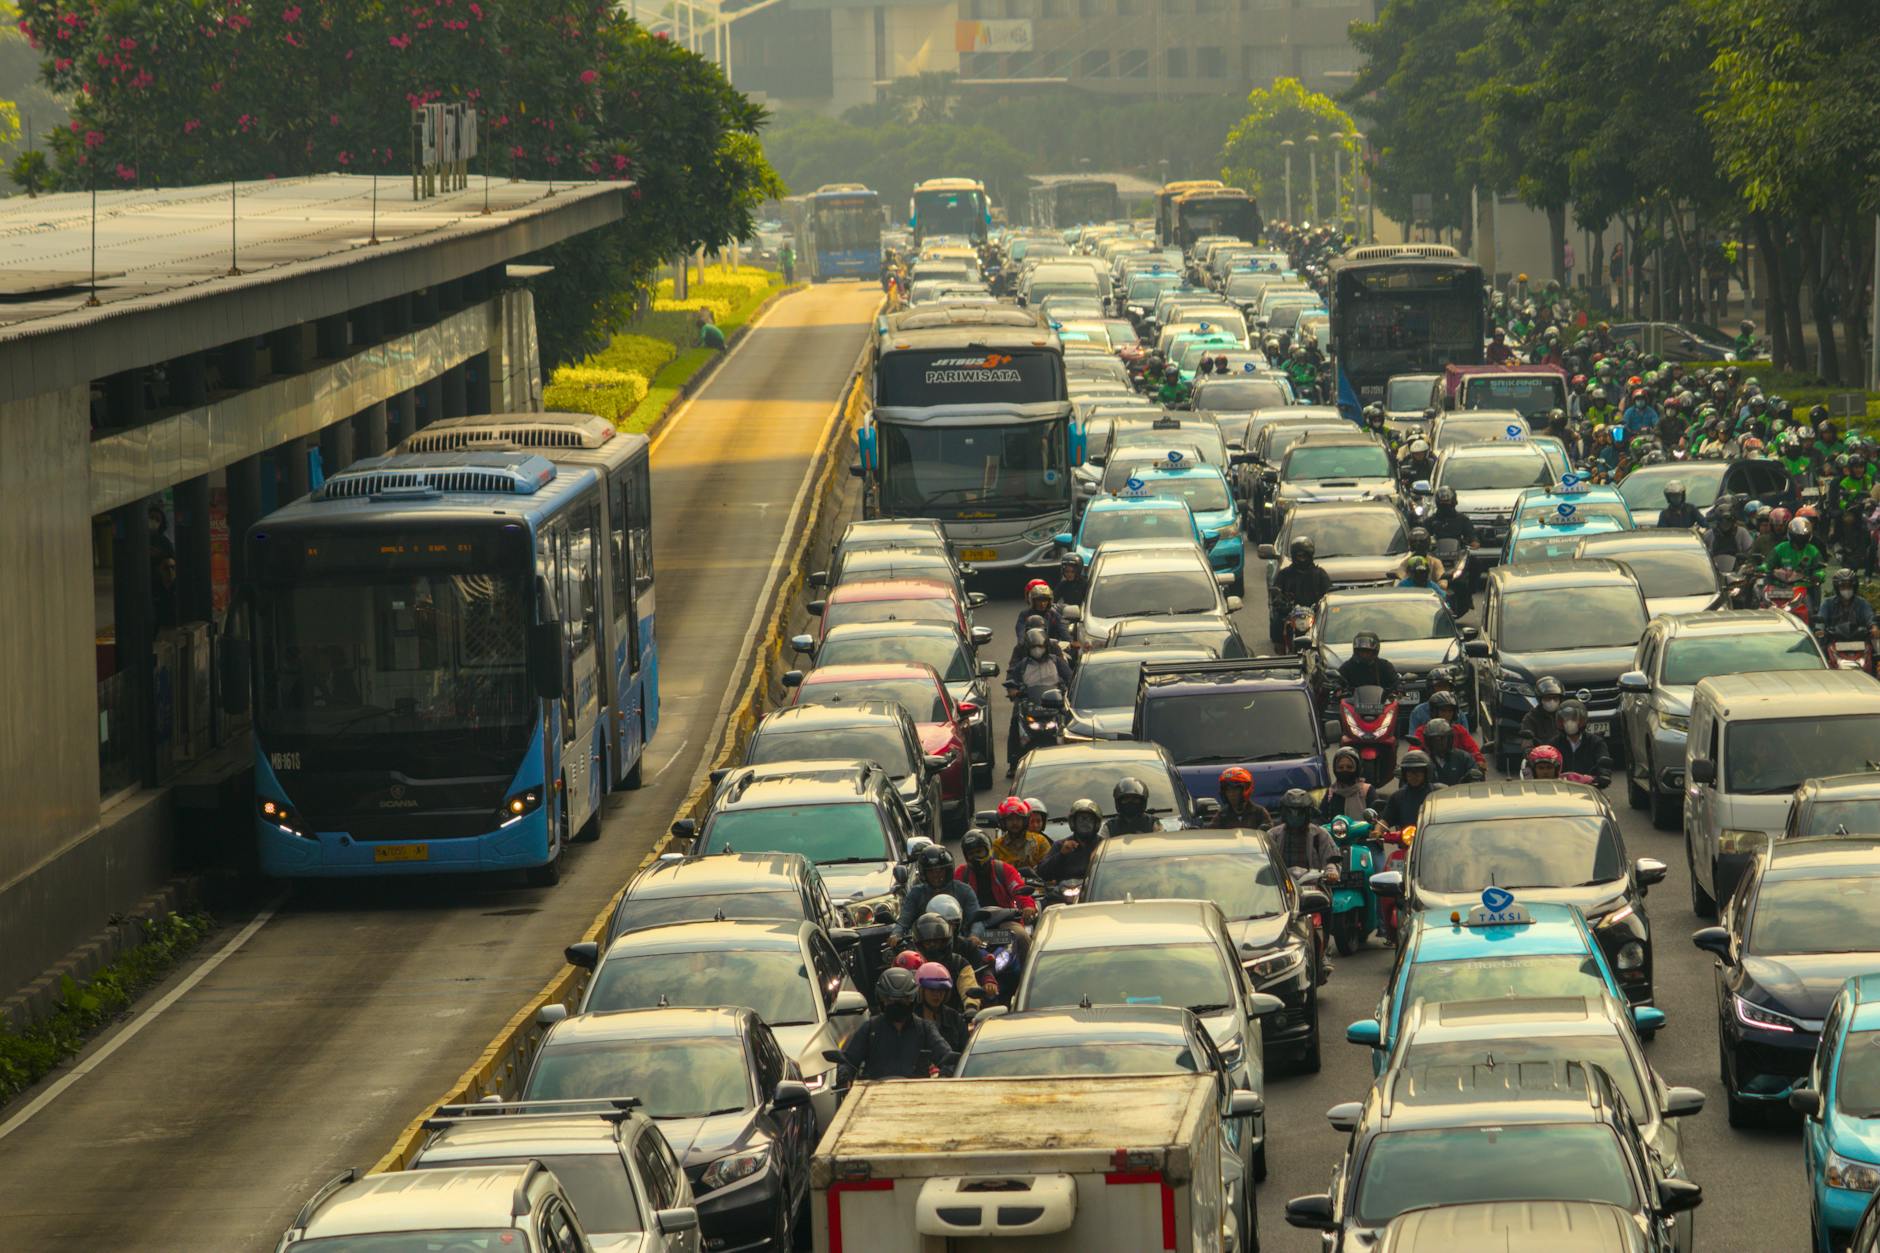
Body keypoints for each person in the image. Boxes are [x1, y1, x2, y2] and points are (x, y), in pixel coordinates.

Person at [835, 967, 957, 1085]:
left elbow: (947, 1058)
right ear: (881, 999)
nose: (897, 1005)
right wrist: (844, 1076)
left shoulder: (925, 1029)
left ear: (913, 999)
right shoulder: (870, 1029)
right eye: (891, 1000)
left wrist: (943, 1078)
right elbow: (849, 1061)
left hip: (918, 1098)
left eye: (903, 1000)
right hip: (874, 1099)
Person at [1270, 789, 1340, 979]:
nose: (1295, 816)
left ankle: (1324, 951)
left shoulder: (1321, 835)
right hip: (1283, 889)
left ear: (1308, 812)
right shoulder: (1272, 835)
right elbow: (1263, 862)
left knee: (1326, 905)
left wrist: (1331, 871)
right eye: (1291, 811)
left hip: (1313, 887)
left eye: (1300, 812)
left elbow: (1332, 859)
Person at [957, 829, 1037, 962]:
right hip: (972, 927)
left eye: (979, 852)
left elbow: (1018, 888)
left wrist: (1028, 906)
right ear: (966, 856)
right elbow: (952, 898)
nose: (976, 857)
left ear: (988, 850)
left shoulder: (1003, 869)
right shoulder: (961, 873)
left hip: (1004, 922)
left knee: (1021, 937)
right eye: (971, 854)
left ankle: (1028, 976)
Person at [1004, 628, 1073, 776]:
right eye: (1034, 647)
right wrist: (1013, 691)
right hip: (1029, 704)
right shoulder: (1022, 666)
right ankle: (1013, 762)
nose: (1037, 650)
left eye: (1040, 647)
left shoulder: (1056, 662)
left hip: (1055, 703)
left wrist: (1068, 690)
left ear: (1046, 646)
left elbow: (1070, 678)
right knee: (1015, 721)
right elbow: (1011, 682)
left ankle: (1073, 755)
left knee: (1071, 720)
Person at [893, 844, 983, 943]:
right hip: (925, 946)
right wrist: (896, 934)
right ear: (924, 873)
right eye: (931, 871)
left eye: (940, 870)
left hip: (960, 945)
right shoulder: (916, 893)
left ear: (948, 870)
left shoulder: (964, 890)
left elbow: (976, 919)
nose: (936, 875)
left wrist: (974, 935)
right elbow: (904, 920)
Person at [907, 911, 984, 1013]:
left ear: (945, 941)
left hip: (954, 1020)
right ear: (920, 944)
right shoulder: (912, 963)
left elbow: (968, 985)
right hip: (916, 1022)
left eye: (936, 941)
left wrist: (971, 1007)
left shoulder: (959, 963)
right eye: (928, 942)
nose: (932, 946)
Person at [1271, 536, 1334, 642]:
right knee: (1277, 622)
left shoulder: (1319, 574)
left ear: (1310, 555)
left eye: (1304, 555)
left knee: (1330, 625)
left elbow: (1330, 592)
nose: (1302, 558)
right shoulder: (1285, 574)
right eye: (1299, 555)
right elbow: (1276, 590)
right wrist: (1280, 600)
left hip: (1316, 613)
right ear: (1294, 555)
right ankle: (1281, 649)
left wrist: (1323, 603)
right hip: (1291, 613)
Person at [1547, 698, 1612, 788]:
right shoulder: (1553, 744)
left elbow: (1603, 762)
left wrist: (1604, 775)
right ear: (1560, 722)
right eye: (1565, 719)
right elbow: (1545, 766)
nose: (1569, 722)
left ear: (1582, 720)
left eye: (1574, 719)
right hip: (1561, 790)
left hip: (1589, 790)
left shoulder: (1596, 742)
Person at [1409, 690, 1483, 767]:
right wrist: (1413, 760)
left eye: (1450, 711)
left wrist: (1479, 761)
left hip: (1456, 772)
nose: (1447, 714)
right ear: (1434, 712)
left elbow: (1473, 749)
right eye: (1443, 711)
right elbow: (1414, 749)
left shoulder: (1459, 730)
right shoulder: (1423, 731)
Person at [1036, 798, 1104, 880]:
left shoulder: (1104, 846)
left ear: (1096, 823)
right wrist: (1061, 855)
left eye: (1090, 819)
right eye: (1081, 819)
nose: (1085, 823)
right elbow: (1042, 872)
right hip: (1065, 890)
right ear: (1073, 822)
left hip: (1096, 890)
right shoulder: (1061, 845)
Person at [914, 962, 969, 1052]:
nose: (937, 995)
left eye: (941, 990)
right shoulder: (911, 1019)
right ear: (921, 990)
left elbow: (965, 1051)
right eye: (932, 989)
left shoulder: (954, 1018)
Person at [1816, 568, 1876, 644]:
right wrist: (1819, 630)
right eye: (1843, 587)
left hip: (1860, 641)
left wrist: (1874, 627)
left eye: (1849, 586)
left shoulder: (1862, 603)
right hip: (1833, 641)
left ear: (1854, 587)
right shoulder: (1827, 603)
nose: (1846, 589)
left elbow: (1870, 616)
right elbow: (1821, 619)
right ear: (1837, 588)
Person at [990, 797, 1051, 870]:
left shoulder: (1040, 841)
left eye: (1018, 819)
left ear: (1025, 820)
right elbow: (992, 872)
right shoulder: (997, 846)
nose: (1015, 823)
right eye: (1010, 819)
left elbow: (1049, 868)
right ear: (1003, 822)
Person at [1382, 750, 1438, 828]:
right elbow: (1385, 820)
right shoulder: (1398, 796)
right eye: (1410, 772)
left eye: (1418, 771)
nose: (1413, 776)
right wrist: (1377, 831)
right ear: (1404, 774)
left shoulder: (1438, 793)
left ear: (1426, 772)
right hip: (1406, 838)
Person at [1418, 718, 1482, 786]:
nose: (1439, 743)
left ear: (1449, 739)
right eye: (1435, 740)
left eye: (1442, 738)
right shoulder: (1423, 762)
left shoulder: (1464, 758)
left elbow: (1477, 783)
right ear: (1428, 741)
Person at [1319, 747, 1376, 821]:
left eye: (1349, 767)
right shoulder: (1331, 793)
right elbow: (1321, 818)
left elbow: (1377, 819)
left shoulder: (1367, 790)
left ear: (1357, 769)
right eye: (1340, 767)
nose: (1345, 770)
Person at [1337, 631, 1401, 695]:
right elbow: (1337, 683)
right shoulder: (1347, 667)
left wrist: (1399, 688)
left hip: (1382, 703)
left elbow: (1396, 683)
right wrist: (1338, 689)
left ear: (1374, 651)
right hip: (1352, 703)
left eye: (1368, 652)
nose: (1364, 655)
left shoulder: (1385, 666)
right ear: (1356, 651)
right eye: (1361, 651)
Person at [1519, 676, 1566, 756]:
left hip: (1564, 757)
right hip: (1541, 760)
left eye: (1555, 698)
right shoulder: (1531, 718)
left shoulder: (1565, 715)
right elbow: (1527, 742)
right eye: (1548, 698)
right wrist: (1529, 752)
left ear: (1560, 700)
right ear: (1540, 700)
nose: (1552, 701)